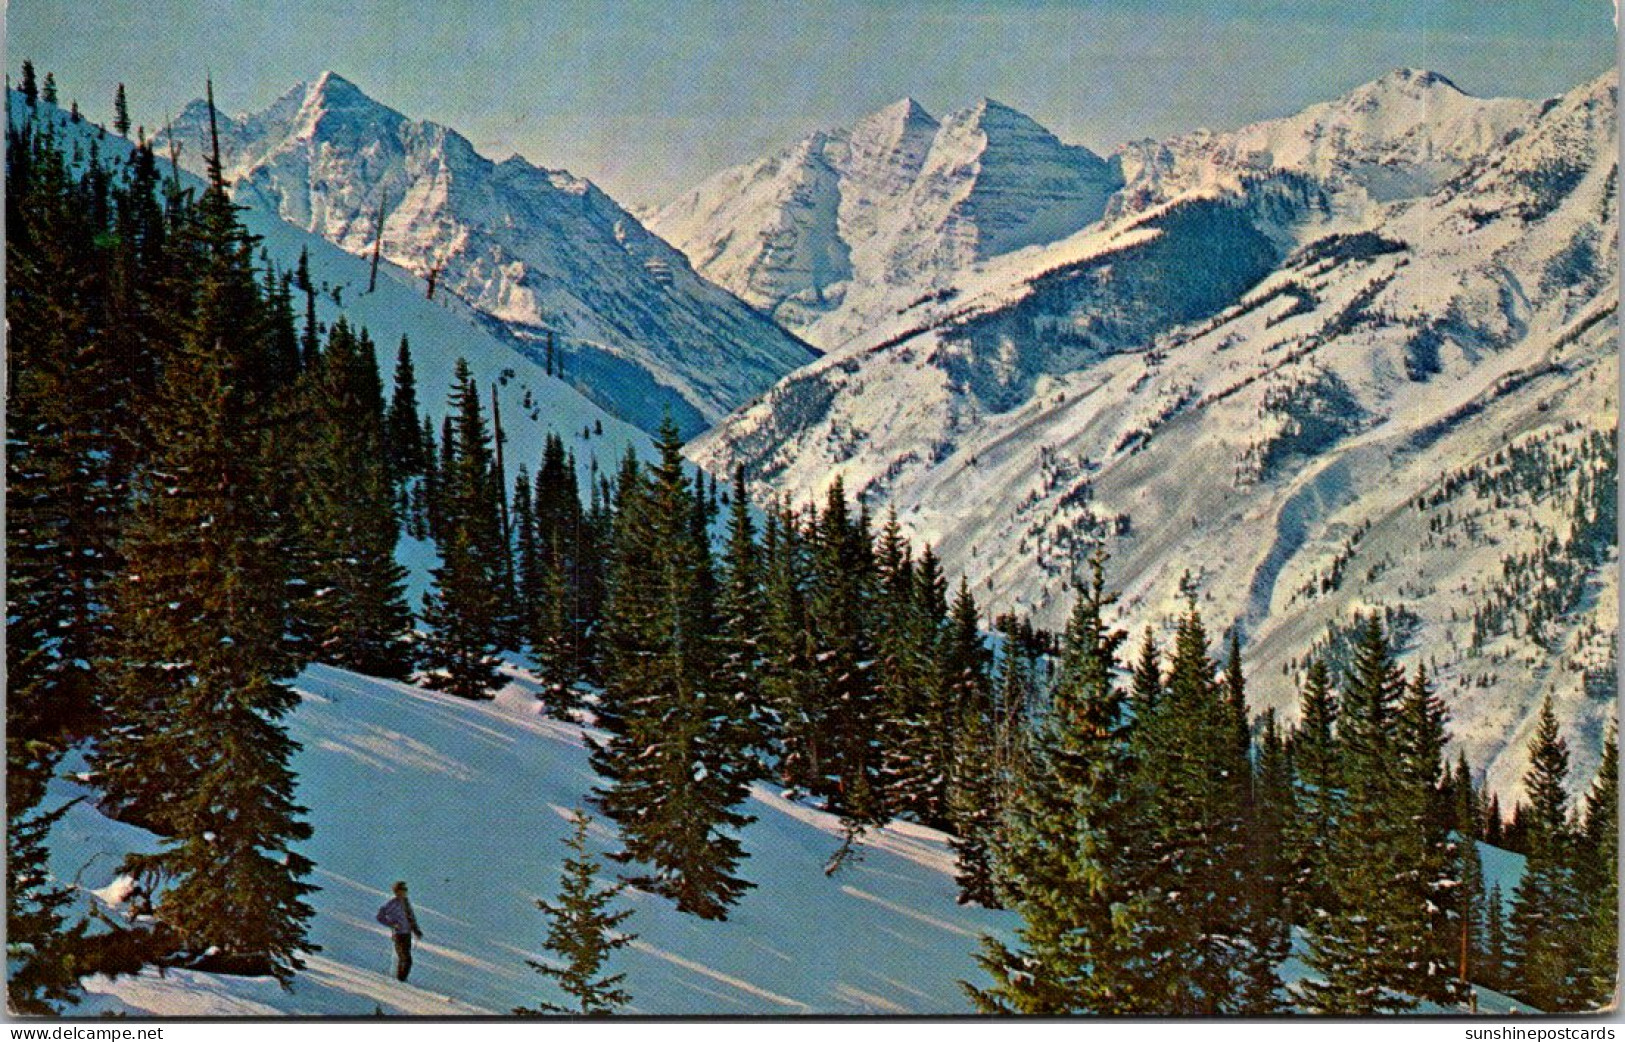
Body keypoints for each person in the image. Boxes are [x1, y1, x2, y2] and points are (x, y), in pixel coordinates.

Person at [376, 880, 424, 982]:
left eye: (406, 890)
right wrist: (392, 924)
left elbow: (411, 918)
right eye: (403, 890)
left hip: (407, 934)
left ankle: (400, 979)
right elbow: (380, 916)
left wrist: (416, 930)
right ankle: (401, 981)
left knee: (403, 958)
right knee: (406, 959)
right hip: (398, 935)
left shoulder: (406, 902)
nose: (405, 892)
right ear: (397, 891)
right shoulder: (392, 904)